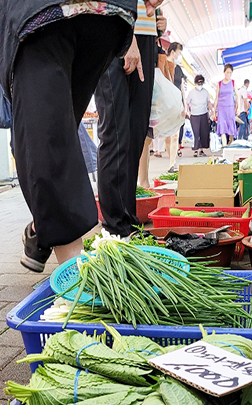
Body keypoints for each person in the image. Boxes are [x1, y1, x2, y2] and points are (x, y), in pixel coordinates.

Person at [0, 0, 161, 271]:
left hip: (51, 15)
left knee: (48, 137)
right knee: (53, 133)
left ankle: (74, 274)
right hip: (97, 17)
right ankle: (66, 254)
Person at [95, 1, 160, 239]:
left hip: (146, 34)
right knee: (115, 131)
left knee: (135, 134)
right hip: (113, 27)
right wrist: (127, 34)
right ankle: (115, 226)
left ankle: (128, 221)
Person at [164, 41, 184, 172]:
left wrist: (185, 104)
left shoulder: (179, 69)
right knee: (167, 136)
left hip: (177, 103)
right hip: (166, 103)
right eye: (179, 53)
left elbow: (182, 87)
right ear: (173, 52)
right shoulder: (163, 64)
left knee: (175, 135)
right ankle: (170, 159)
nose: (179, 55)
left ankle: (172, 163)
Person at [214, 63, 240, 148]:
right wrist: (214, 111)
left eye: (230, 73)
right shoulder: (219, 84)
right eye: (227, 72)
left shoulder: (233, 82)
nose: (228, 74)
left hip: (230, 108)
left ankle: (231, 142)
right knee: (222, 127)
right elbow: (216, 97)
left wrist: (238, 107)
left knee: (231, 126)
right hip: (221, 108)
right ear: (224, 72)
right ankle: (224, 146)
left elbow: (238, 95)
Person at [187, 74, 211, 158]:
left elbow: (208, 102)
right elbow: (187, 103)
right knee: (196, 132)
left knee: (203, 132)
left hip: (204, 114)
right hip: (194, 115)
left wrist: (212, 111)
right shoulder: (191, 93)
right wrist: (187, 112)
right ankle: (195, 150)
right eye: (198, 83)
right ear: (195, 83)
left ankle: (201, 150)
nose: (200, 85)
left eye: (201, 83)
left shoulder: (205, 92)